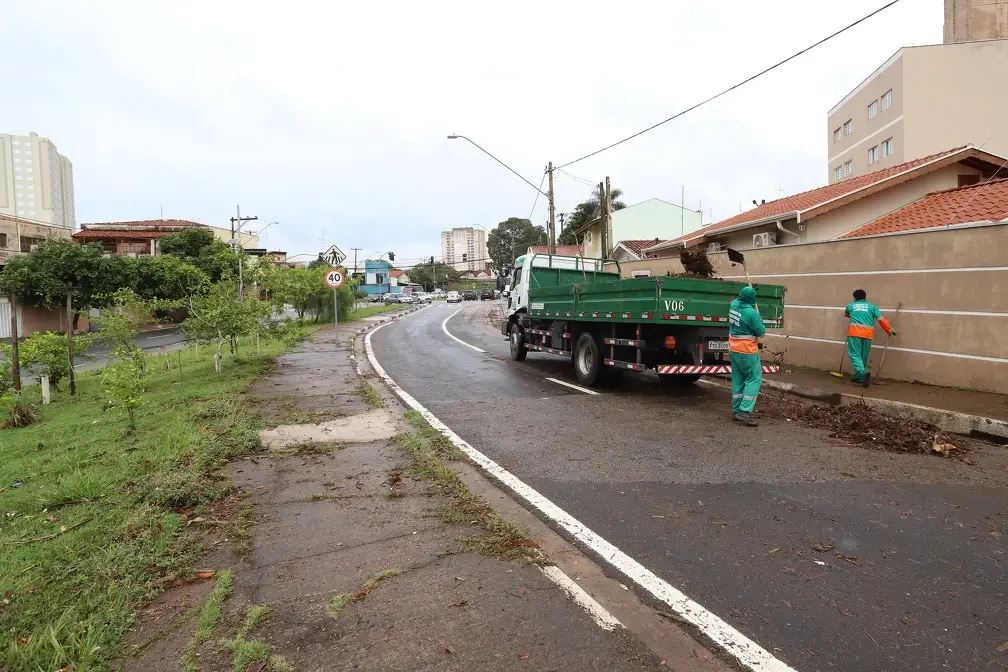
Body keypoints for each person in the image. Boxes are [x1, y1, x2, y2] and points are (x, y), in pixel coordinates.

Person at [728, 285, 766, 426]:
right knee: (754, 379)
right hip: (747, 351)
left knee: (738, 380)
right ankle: (744, 411)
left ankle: (737, 410)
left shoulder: (733, 304)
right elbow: (761, 332)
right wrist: (759, 319)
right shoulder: (752, 313)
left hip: (733, 349)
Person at [844, 289, 895, 388]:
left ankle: (862, 373)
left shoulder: (850, 306)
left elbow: (847, 315)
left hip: (854, 334)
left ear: (854, 298)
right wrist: (889, 329)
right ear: (865, 297)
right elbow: (881, 320)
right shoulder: (872, 307)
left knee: (855, 354)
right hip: (868, 335)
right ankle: (859, 377)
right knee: (863, 355)